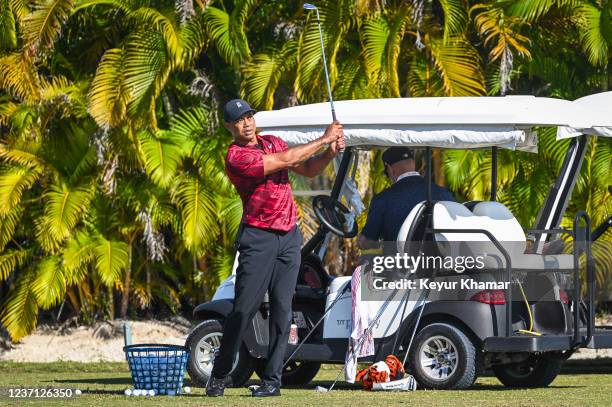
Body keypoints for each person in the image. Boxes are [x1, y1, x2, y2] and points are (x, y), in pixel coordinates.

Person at [206, 99, 345, 398]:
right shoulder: (237, 157)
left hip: (289, 236)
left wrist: (330, 152)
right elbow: (282, 162)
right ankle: (219, 374)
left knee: (284, 308)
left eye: (249, 116)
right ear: (229, 126)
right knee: (244, 309)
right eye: (239, 120)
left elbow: (307, 168)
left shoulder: (273, 141)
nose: (247, 122)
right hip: (258, 238)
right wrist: (323, 138)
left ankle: (272, 381)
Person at [358, 147, 455, 250]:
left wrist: (377, 243)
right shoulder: (444, 194)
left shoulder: (382, 199)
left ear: (390, 170)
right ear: (413, 164)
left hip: (398, 264)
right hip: (439, 263)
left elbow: (365, 243)